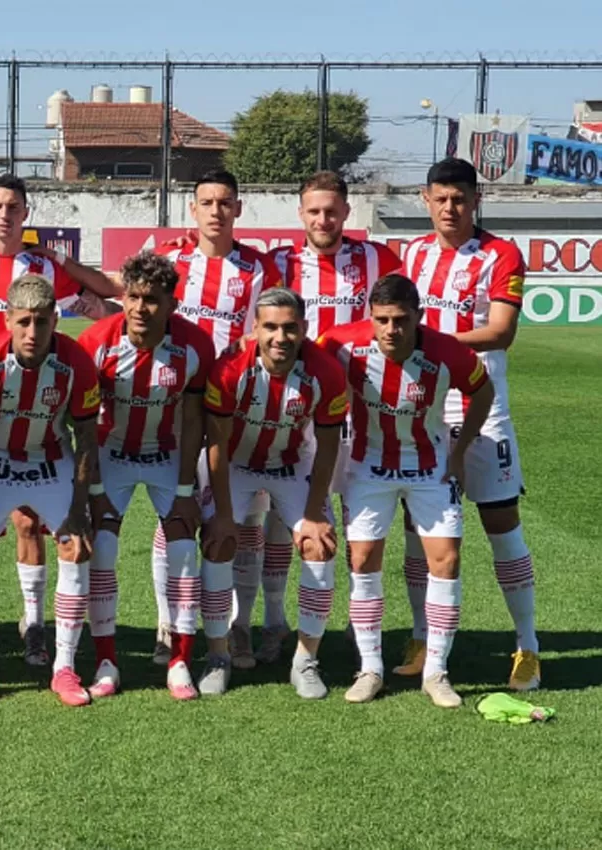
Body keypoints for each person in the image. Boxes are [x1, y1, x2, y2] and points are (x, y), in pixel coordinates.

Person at [0, 174, 117, 668]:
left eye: (14, 206)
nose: (5, 214)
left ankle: (33, 624)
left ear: (26, 212)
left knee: (30, 521)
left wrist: (68, 266)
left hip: (39, 411)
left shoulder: (43, 265)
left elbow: (102, 299)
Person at [234, 172, 402, 667]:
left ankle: (358, 626)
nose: (323, 220)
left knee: (355, 525)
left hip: (358, 415)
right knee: (267, 523)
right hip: (287, 410)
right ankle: (268, 622)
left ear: (347, 211)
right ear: (300, 213)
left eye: (331, 211)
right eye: (313, 211)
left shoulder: (378, 260)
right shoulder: (278, 265)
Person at [319, 273, 493, 708]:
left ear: (419, 317)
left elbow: (483, 390)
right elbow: (305, 362)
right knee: (361, 559)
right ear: (370, 318)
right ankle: (371, 668)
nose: (391, 330)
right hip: (368, 467)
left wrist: (460, 450)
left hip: (430, 467)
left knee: (446, 561)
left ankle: (436, 672)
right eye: (382, 320)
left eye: (400, 320)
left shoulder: (448, 351)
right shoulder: (341, 344)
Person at [401, 158, 539, 691]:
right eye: (440, 198)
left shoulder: (501, 253)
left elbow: (501, 332)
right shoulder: (410, 255)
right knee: (419, 533)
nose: (450, 208)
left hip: (483, 411)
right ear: (426, 199)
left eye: (459, 198)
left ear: (475, 200)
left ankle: (528, 644)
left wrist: (428, 342)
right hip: (423, 411)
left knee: (502, 527)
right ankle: (420, 636)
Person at [153, 169, 281, 669]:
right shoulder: (171, 261)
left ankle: (239, 624)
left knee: (246, 520)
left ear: (238, 209)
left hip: (237, 405)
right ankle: (168, 624)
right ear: (192, 208)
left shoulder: (259, 268)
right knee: (174, 518)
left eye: (224, 202)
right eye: (206, 201)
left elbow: (264, 332)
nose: (215, 210)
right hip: (174, 405)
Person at [0, 275, 100, 706]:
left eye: (41, 322)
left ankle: (65, 668)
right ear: (7, 320)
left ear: (57, 320)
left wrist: (77, 509)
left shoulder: (77, 363)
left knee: (75, 545)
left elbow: (87, 441)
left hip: (49, 458)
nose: (32, 333)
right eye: (23, 322)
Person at [75, 254, 214, 701]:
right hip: (111, 453)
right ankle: (106, 662)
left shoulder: (194, 346)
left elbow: (194, 420)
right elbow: (82, 423)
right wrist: (92, 489)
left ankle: (178, 662)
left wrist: (188, 488)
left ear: (171, 304)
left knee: (183, 553)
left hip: (165, 454)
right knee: (105, 550)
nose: (139, 308)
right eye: (132, 297)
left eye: (151, 299)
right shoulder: (97, 341)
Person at [201, 288, 349, 699]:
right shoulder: (230, 367)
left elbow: (327, 445)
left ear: (303, 329)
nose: (280, 337)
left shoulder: (325, 372)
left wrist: (318, 511)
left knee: (320, 546)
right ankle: (218, 655)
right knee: (219, 542)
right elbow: (215, 444)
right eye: (270, 327)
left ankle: (305, 659)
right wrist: (224, 515)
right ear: (255, 329)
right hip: (233, 464)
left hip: (291, 464)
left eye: (289, 328)